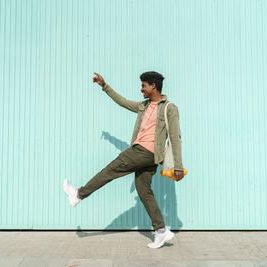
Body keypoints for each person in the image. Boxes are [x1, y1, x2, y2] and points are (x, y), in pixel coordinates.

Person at [63, 71, 184, 249]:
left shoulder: (169, 108)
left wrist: (178, 166)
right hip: (145, 155)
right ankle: (161, 231)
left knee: (110, 170)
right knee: (143, 189)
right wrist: (105, 86)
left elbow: (175, 136)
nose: (141, 89)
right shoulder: (144, 106)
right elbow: (123, 102)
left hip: (146, 152)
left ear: (153, 86)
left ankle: (79, 194)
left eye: (144, 85)